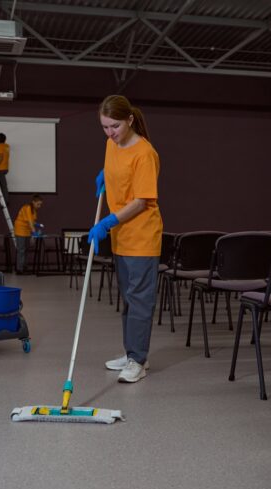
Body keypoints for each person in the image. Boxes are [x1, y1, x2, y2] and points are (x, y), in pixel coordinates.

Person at [89, 94, 162, 384]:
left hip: (142, 237)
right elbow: (115, 168)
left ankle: (139, 361)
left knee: (140, 302)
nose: (110, 133)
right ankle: (130, 352)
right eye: (105, 127)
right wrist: (105, 175)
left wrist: (107, 221)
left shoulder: (145, 153)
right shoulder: (111, 144)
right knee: (129, 302)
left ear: (130, 120)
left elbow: (142, 201)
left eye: (115, 126)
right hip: (122, 236)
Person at [13, 194, 44, 274]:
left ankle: (25, 267)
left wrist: (37, 225)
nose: (39, 206)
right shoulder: (27, 208)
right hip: (20, 230)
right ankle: (19, 270)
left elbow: (32, 222)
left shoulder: (34, 211)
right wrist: (34, 233)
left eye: (40, 204)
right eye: (38, 204)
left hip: (27, 232)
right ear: (33, 202)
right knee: (21, 250)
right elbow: (30, 222)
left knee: (26, 250)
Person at [0, 133, 11, 206]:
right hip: (6, 168)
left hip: (1, 168)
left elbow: (0, 158)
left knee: (4, 185)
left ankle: (6, 201)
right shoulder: (7, 146)